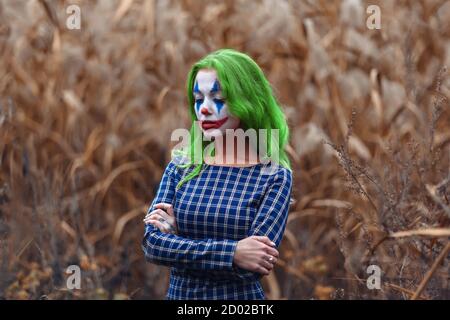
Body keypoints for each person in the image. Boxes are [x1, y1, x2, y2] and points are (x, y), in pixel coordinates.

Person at [142, 49, 293, 300]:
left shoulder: (274, 176)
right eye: (198, 99)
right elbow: (153, 245)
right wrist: (233, 252)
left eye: (217, 98)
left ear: (248, 101)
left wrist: (179, 241)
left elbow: (254, 267)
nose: (204, 109)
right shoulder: (181, 167)